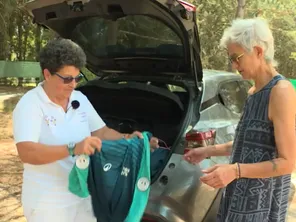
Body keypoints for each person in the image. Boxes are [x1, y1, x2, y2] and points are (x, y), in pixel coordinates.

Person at [12, 38, 159, 222]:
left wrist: (128, 138)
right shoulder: (31, 104)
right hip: (48, 203)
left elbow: (101, 132)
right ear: (47, 74)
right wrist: (72, 148)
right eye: (67, 79)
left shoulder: (79, 98)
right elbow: (27, 152)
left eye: (77, 78)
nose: (73, 84)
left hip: (83, 195)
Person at [184, 18, 296, 221]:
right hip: (237, 199)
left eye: (237, 58)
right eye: (231, 59)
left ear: (258, 51)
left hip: (261, 207)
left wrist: (234, 171)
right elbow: (247, 144)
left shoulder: (281, 91)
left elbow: (288, 163)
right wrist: (207, 151)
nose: (234, 65)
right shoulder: (253, 92)